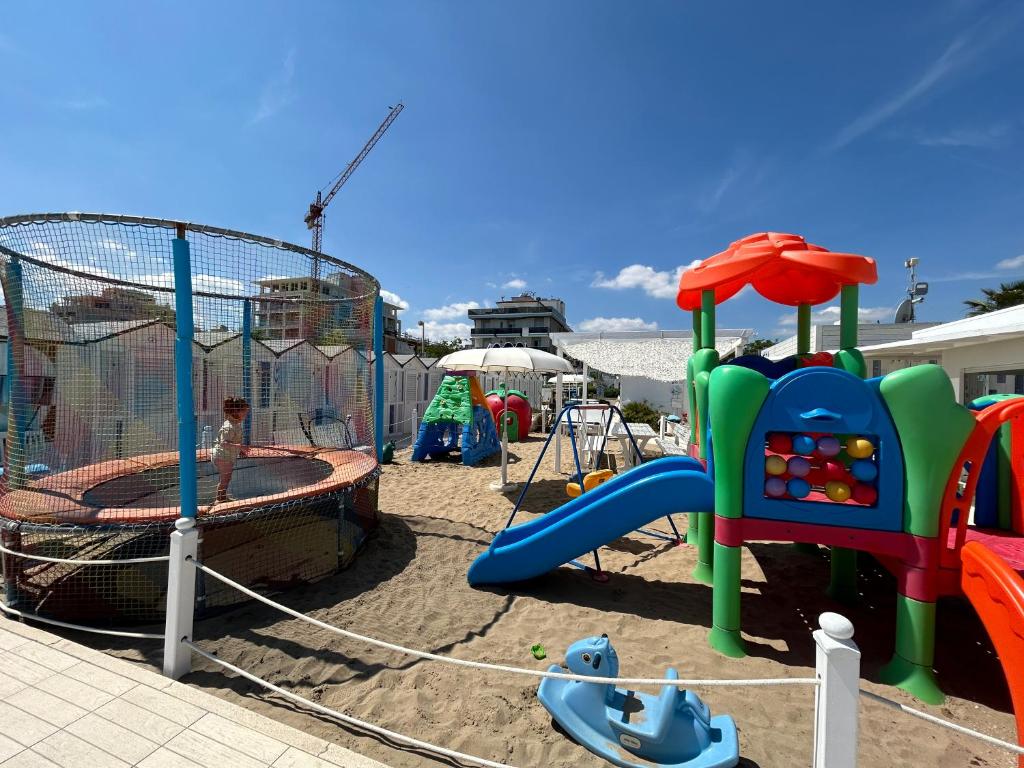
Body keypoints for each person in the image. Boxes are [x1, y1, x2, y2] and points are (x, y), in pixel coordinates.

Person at [211, 396, 249, 503]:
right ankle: (219, 500)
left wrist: (240, 451)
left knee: (226, 478)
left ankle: (222, 497)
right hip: (222, 455)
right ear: (236, 411)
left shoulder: (235, 424)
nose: (246, 414)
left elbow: (233, 441)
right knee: (225, 478)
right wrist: (240, 447)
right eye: (244, 412)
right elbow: (224, 443)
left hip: (226, 455)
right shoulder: (229, 426)